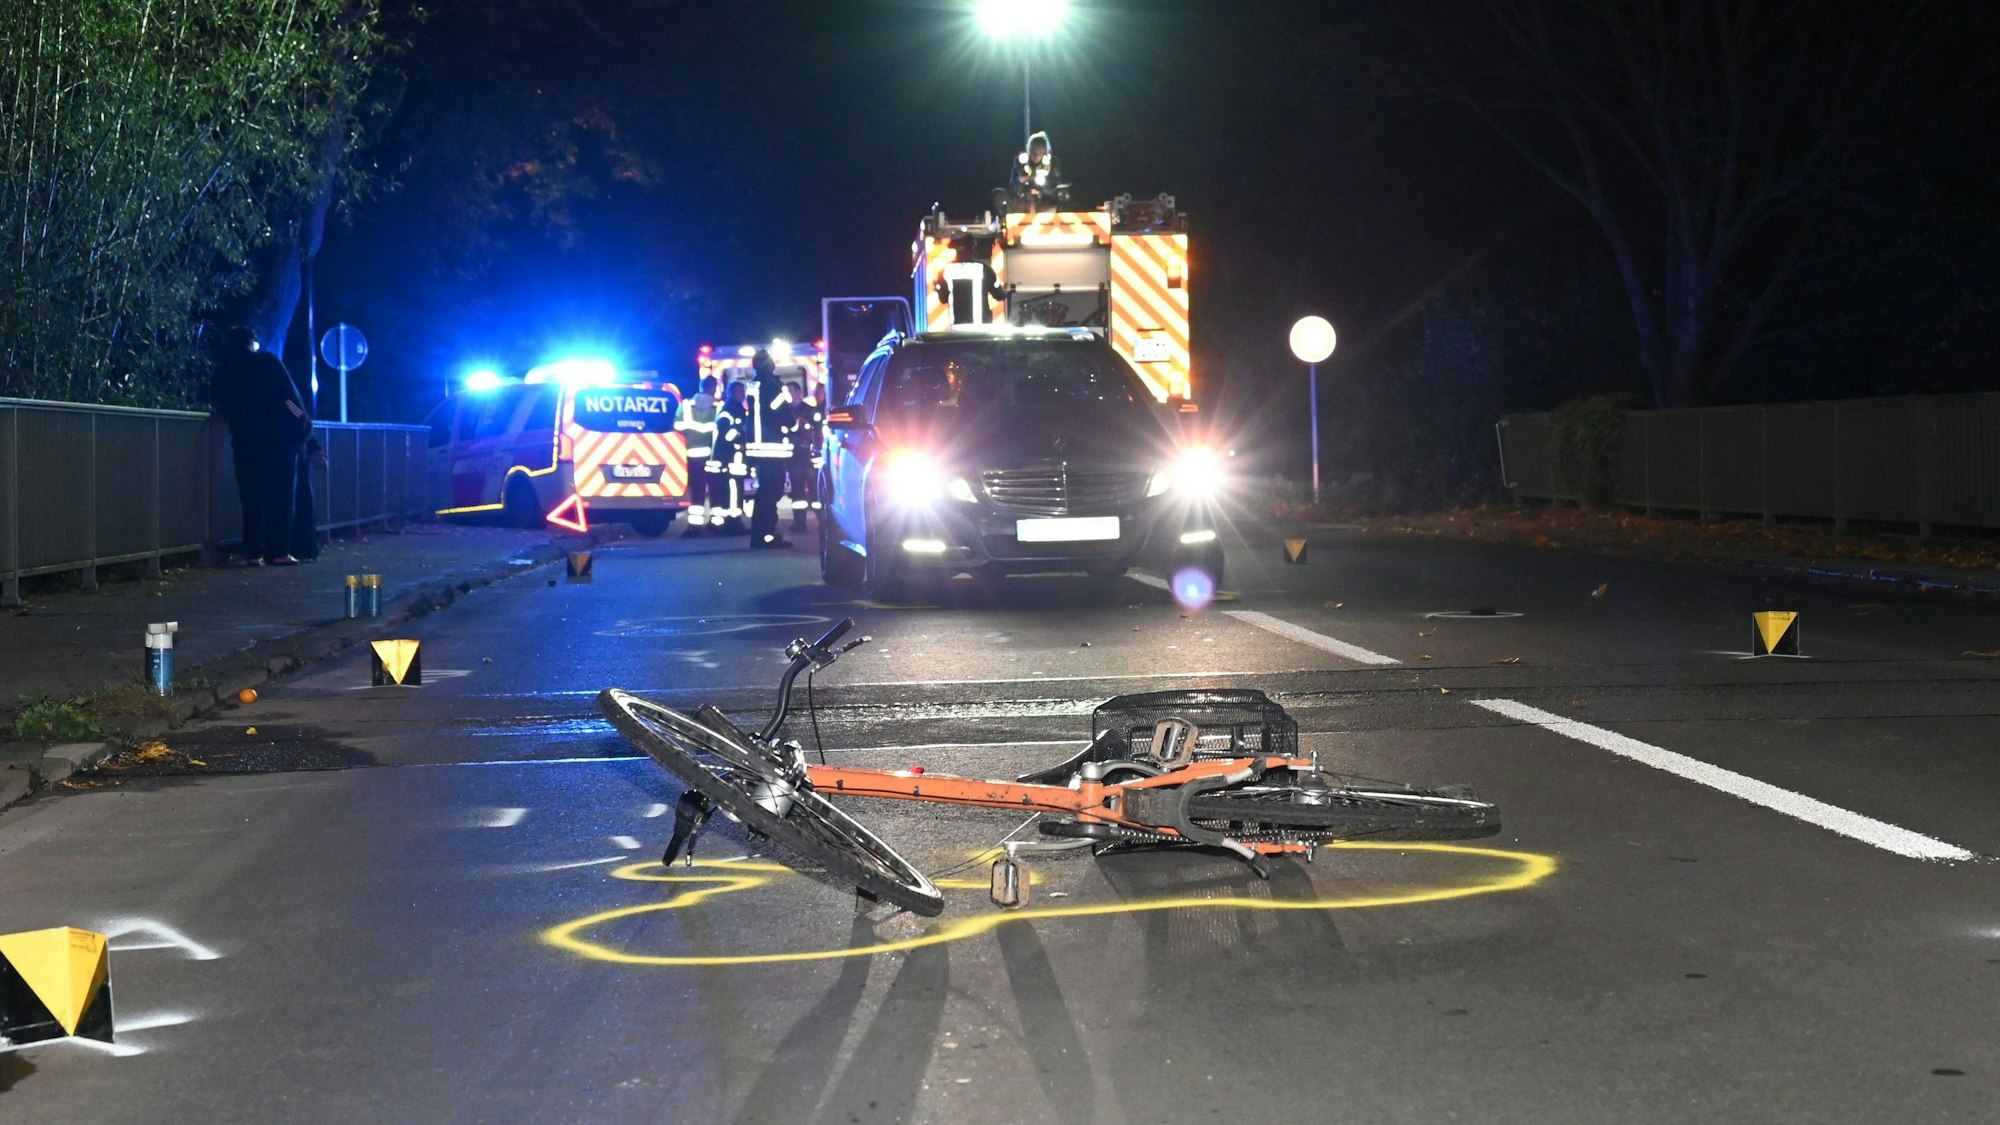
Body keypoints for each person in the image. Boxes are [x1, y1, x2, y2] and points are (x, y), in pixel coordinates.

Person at [212, 326, 312, 566]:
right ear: (252, 343)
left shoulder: (224, 371)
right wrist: (302, 424)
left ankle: (253, 552)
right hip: (278, 442)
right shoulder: (267, 362)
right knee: (281, 498)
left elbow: (220, 405)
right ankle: (279, 551)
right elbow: (287, 397)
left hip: (245, 443)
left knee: (251, 499)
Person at [743, 350, 796, 549]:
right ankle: (765, 536)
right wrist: (794, 424)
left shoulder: (754, 384)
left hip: (760, 447)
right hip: (771, 446)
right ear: (766, 365)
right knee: (771, 493)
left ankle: (763, 535)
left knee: (765, 492)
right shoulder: (772, 386)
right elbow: (782, 413)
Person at [675, 375, 720, 535]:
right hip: (714, 455)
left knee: (697, 491)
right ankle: (716, 524)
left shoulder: (686, 405)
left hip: (694, 455)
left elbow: (677, 426)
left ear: (701, 387)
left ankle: (695, 526)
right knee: (716, 490)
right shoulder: (719, 406)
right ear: (713, 388)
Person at [709, 380, 749, 534]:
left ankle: (730, 522)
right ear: (731, 393)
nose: (742, 395)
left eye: (742, 392)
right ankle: (733, 523)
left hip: (731, 459)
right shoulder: (731, 409)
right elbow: (724, 429)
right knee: (733, 491)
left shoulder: (733, 408)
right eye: (739, 392)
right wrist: (738, 436)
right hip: (731, 459)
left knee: (732, 490)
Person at [783, 378, 823, 532]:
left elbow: (816, 431)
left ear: (798, 392)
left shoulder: (808, 410)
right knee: (797, 492)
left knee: (814, 491)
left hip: (808, 455)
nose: (788, 394)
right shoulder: (786, 411)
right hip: (793, 456)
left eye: (791, 391)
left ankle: (822, 520)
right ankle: (799, 522)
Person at [999, 131, 1066, 214]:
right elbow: (1011, 186)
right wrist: (1022, 181)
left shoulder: (1053, 162)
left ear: (1046, 150)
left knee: (1063, 197)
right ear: (1029, 149)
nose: (1036, 152)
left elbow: (1058, 188)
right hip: (1022, 201)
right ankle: (1010, 218)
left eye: (1040, 147)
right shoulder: (1021, 161)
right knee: (998, 194)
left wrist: (1042, 190)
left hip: (1044, 203)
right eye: (1034, 148)